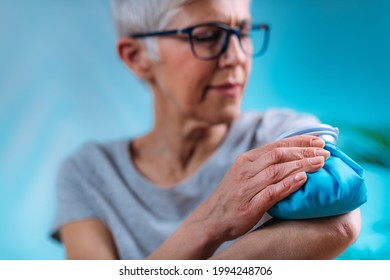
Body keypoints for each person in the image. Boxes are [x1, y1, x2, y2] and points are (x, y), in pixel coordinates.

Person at [51, 0, 361, 260]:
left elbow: (342, 221)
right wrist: (211, 221)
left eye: (243, 31)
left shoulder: (281, 134)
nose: (237, 57)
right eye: (207, 36)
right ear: (137, 57)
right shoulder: (89, 173)